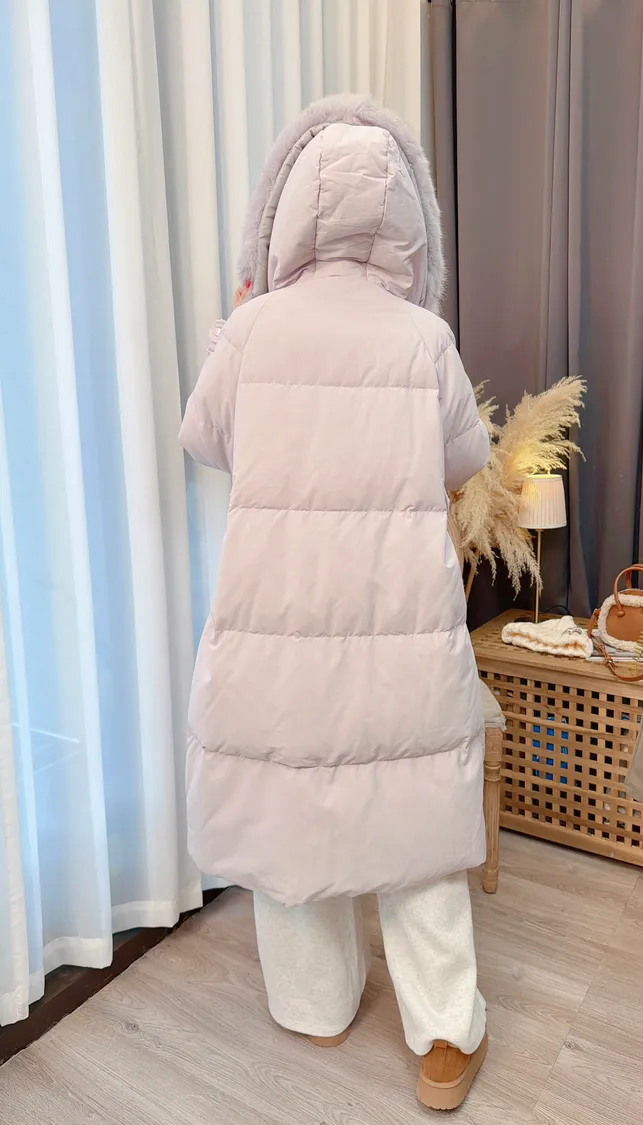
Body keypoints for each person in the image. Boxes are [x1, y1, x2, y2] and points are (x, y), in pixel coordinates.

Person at [179, 95, 490, 1111]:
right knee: (417, 810)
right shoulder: (423, 339)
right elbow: (463, 458)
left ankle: (316, 1004)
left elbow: (206, 439)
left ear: (287, 214)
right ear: (403, 219)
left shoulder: (250, 331)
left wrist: (242, 323)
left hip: (278, 619)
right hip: (398, 620)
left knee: (292, 804)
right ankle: (443, 1033)